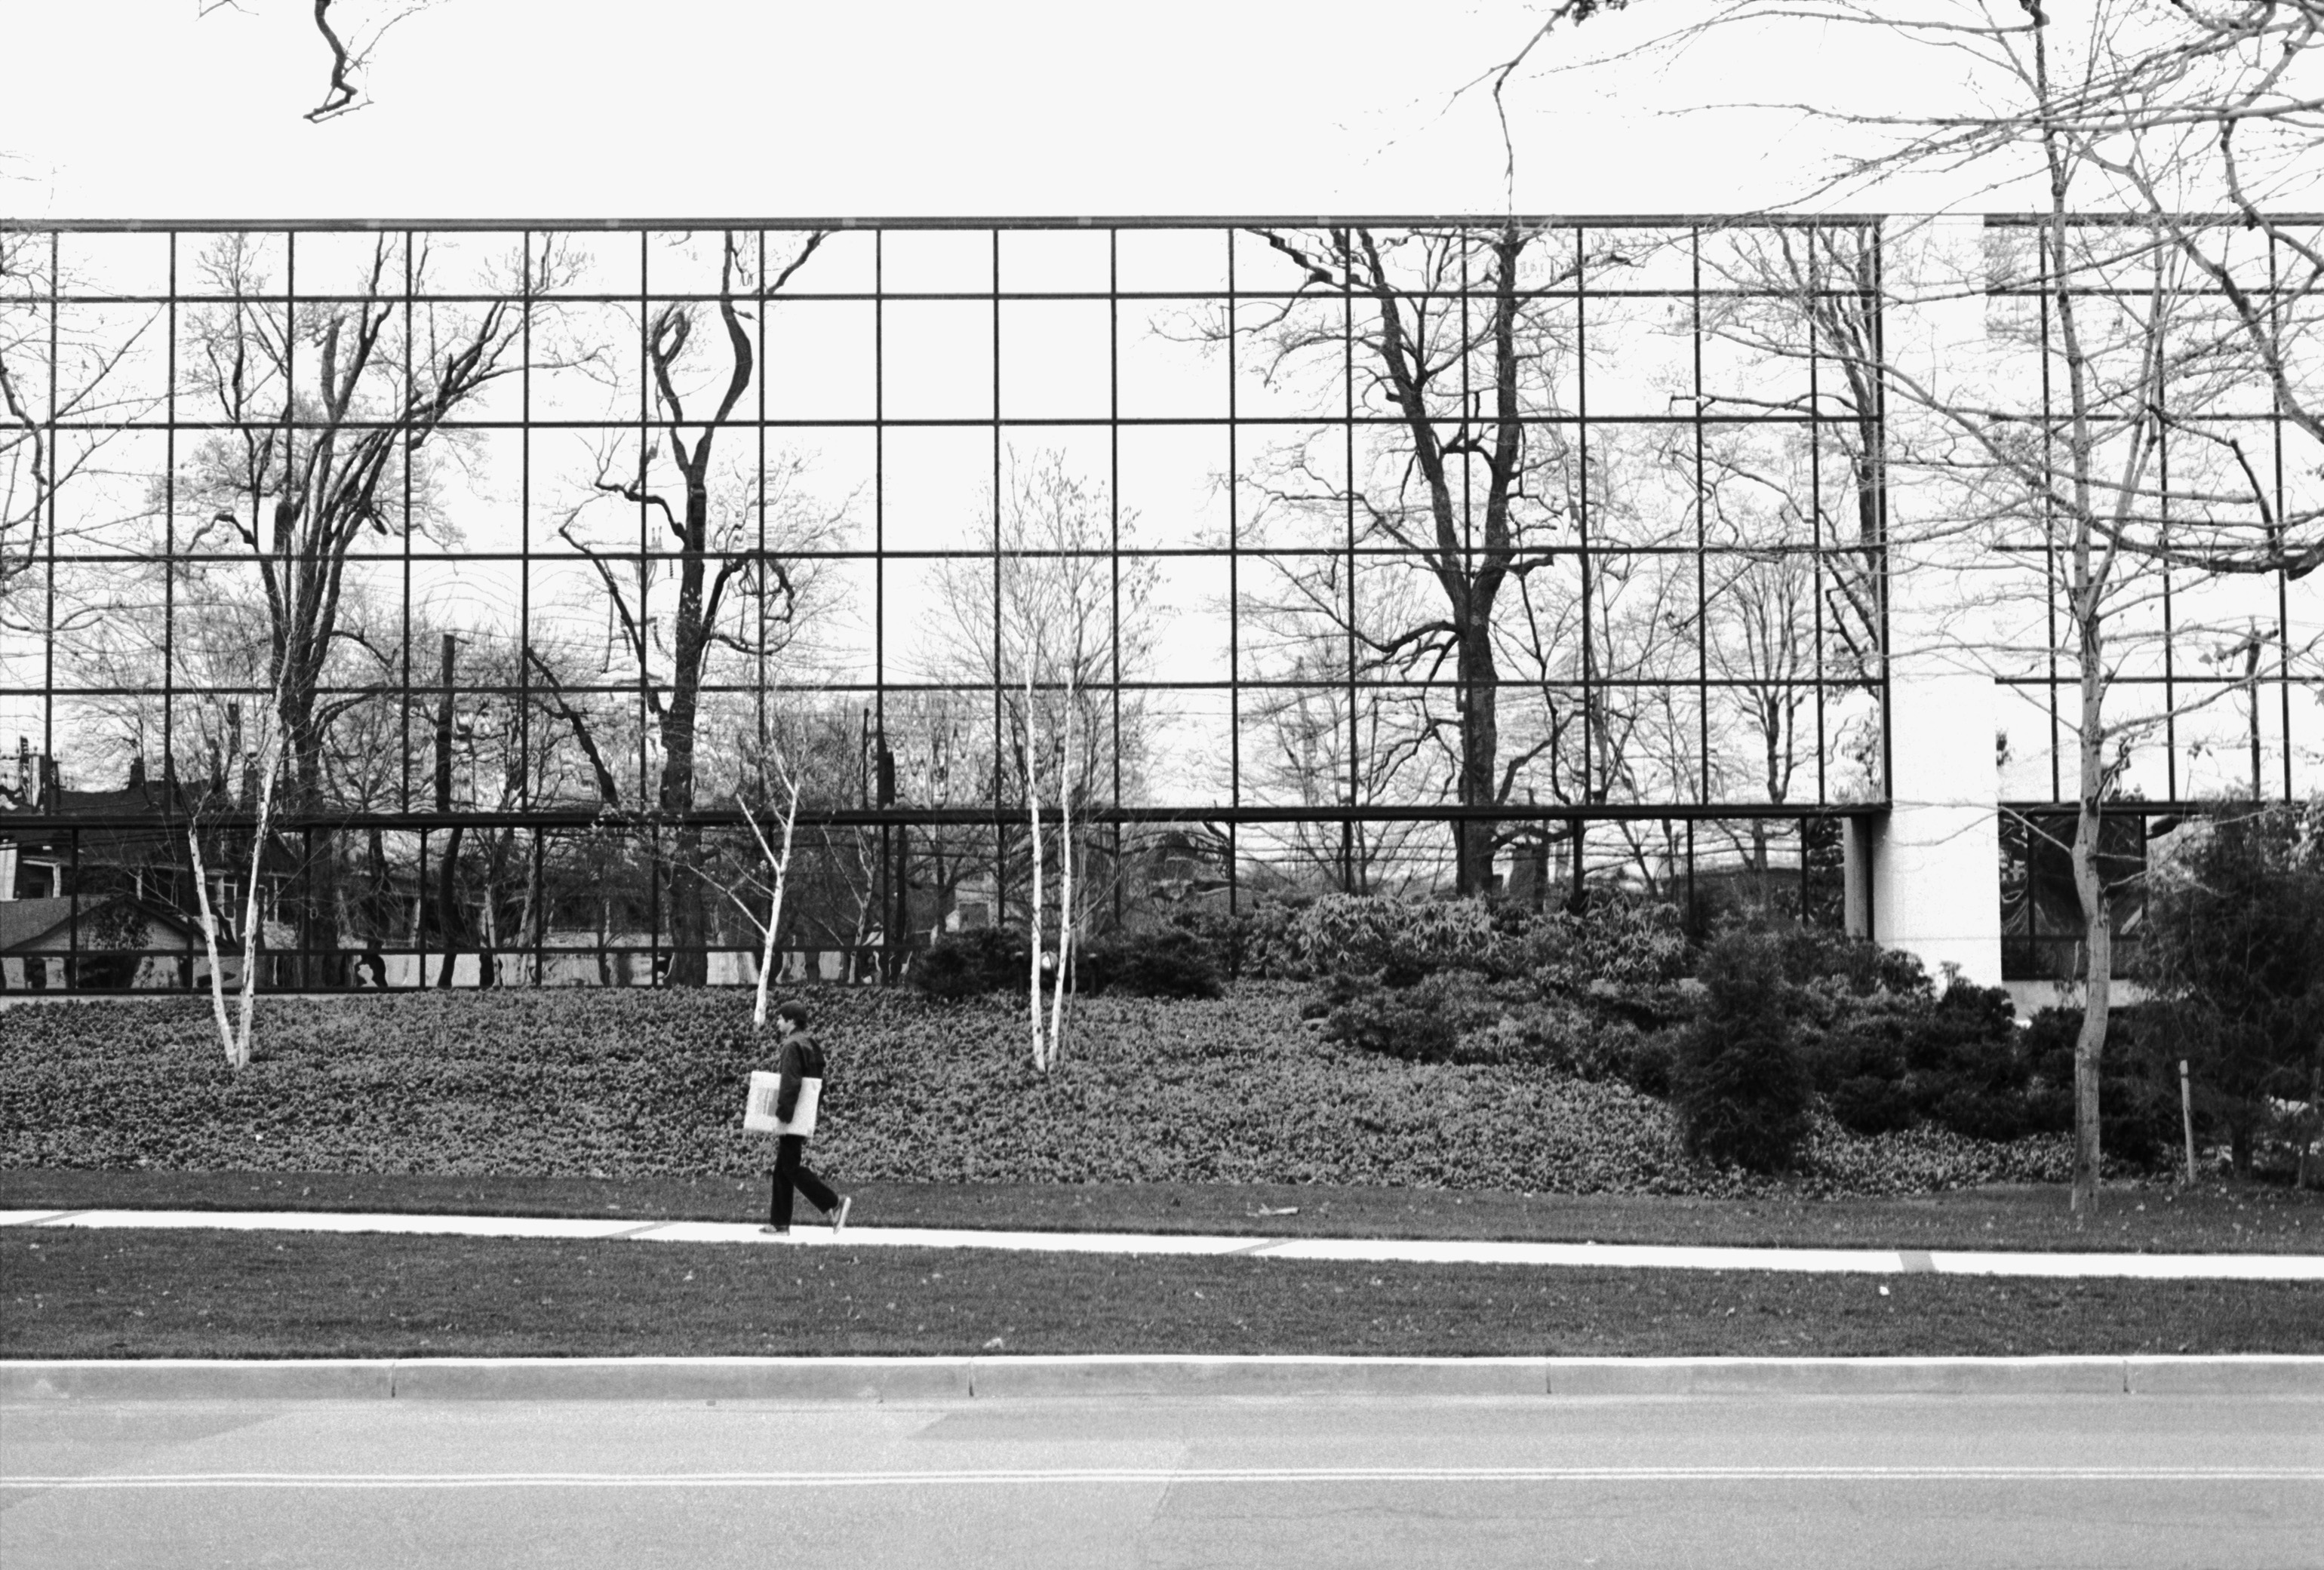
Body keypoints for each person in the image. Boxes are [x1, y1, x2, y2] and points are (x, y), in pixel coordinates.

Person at [761, 999, 852, 1237]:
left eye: (781, 1018)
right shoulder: (810, 1044)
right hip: (805, 1113)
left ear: (791, 1021)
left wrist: (783, 1116)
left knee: (790, 1167)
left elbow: (790, 1083)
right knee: (783, 1167)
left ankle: (834, 1202)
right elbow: (819, 1083)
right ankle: (779, 1223)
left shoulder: (791, 1045)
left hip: (792, 1115)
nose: (778, 1022)